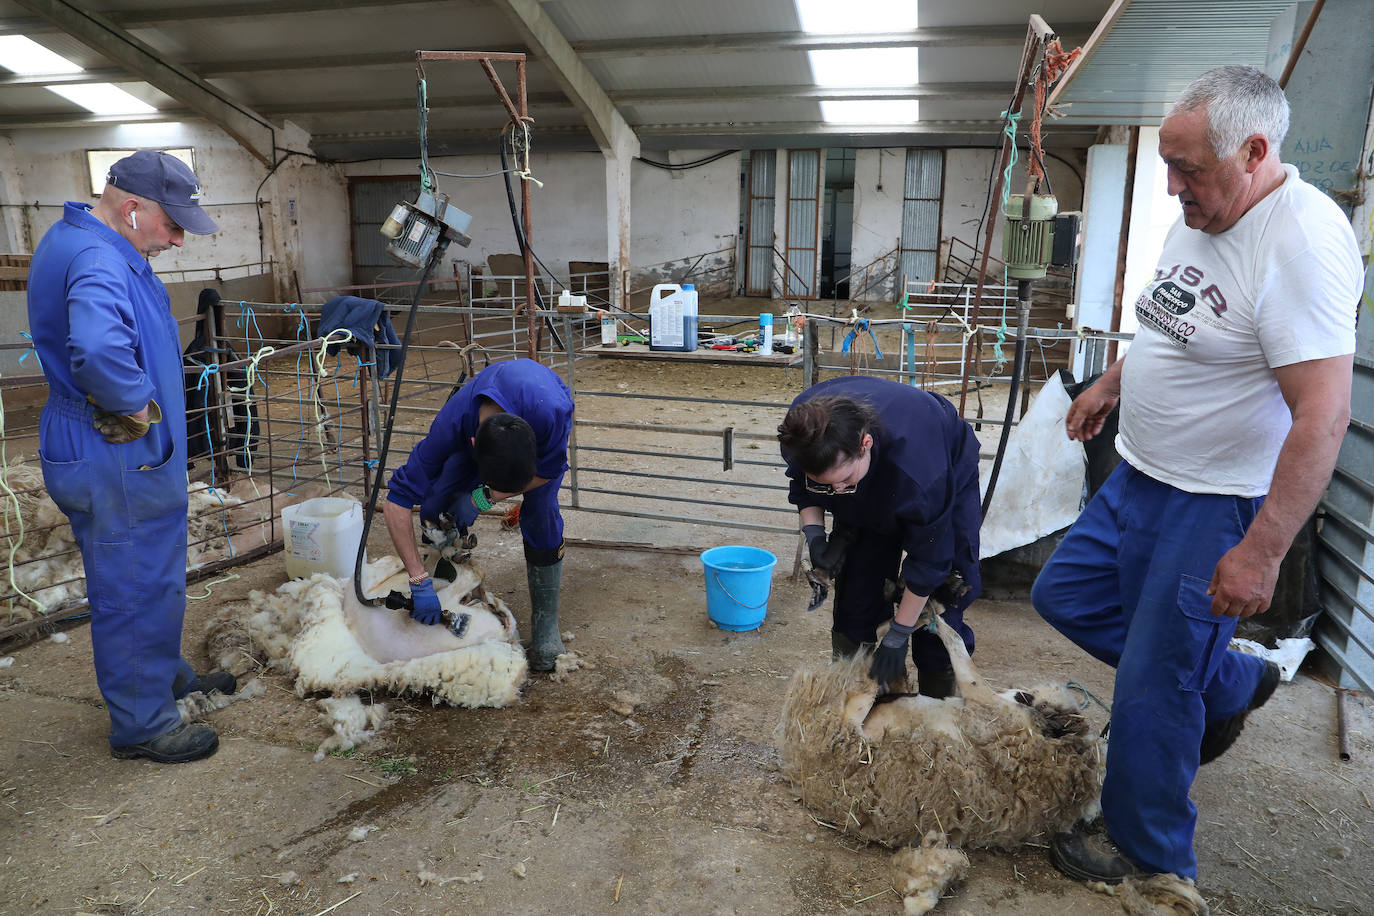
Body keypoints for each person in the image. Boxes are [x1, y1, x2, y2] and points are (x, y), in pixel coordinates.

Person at [1032, 66, 1361, 885]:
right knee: (1062, 594)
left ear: (1254, 152)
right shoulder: (1202, 213)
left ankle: (1148, 850)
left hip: (1214, 500)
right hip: (1143, 473)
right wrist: (1113, 381)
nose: (1173, 186)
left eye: (1189, 170)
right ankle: (1231, 676)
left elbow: (1323, 416)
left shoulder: (1300, 247)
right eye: (1167, 166)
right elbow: (1172, 317)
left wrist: (1263, 550)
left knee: (1152, 686)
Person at [27, 150, 234, 764]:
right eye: (173, 225)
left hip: (116, 448)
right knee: (133, 581)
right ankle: (143, 724)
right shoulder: (98, 257)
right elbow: (97, 349)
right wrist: (137, 407)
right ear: (133, 207)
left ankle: (161, 674)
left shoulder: (95, 241)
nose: (177, 239)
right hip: (111, 444)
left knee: (151, 570)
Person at [777, 375, 983, 697]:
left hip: (937, 463)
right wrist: (816, 537)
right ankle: (856, 692)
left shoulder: (921, 475)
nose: (838, 492)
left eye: (843, 480)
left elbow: (930, 560)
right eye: (826, 483)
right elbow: (805, 489)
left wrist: (899, 633)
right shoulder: (801, 437)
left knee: (943, 598)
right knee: (858, 591)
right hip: (874, 472)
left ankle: (939, 705)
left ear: (865, 444)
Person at [383, 358, 574, 671]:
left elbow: (549, 472)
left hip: (536, 414)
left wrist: (481, 499)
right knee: (436, 505)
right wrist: (416, 578)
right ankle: (447, 587)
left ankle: (545, 625)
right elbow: (396, 502)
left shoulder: (550, 414)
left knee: (541, 510)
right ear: (472, 446)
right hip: (479, 431)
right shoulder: (450, 427)